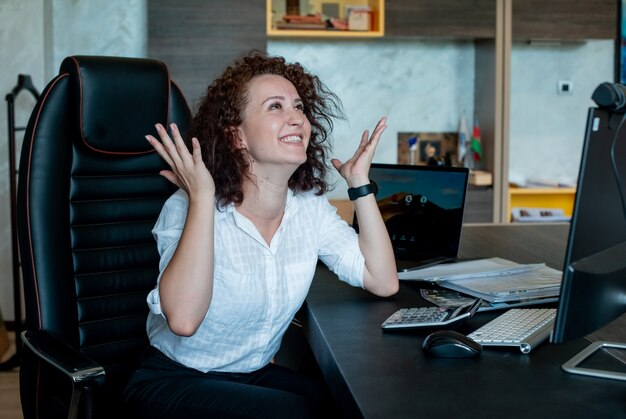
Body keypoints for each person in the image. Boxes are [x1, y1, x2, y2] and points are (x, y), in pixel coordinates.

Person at [123, 51, 399, 418]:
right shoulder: (188, 207)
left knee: (347, 403)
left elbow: (382, 280)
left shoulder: (308, 208)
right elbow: (184, 321)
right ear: (236, 136)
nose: (296, 118)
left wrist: (359, 184)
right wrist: (202, 198)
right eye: (275, 107)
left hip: (252, 376)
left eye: (299, 107)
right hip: (172, 381)